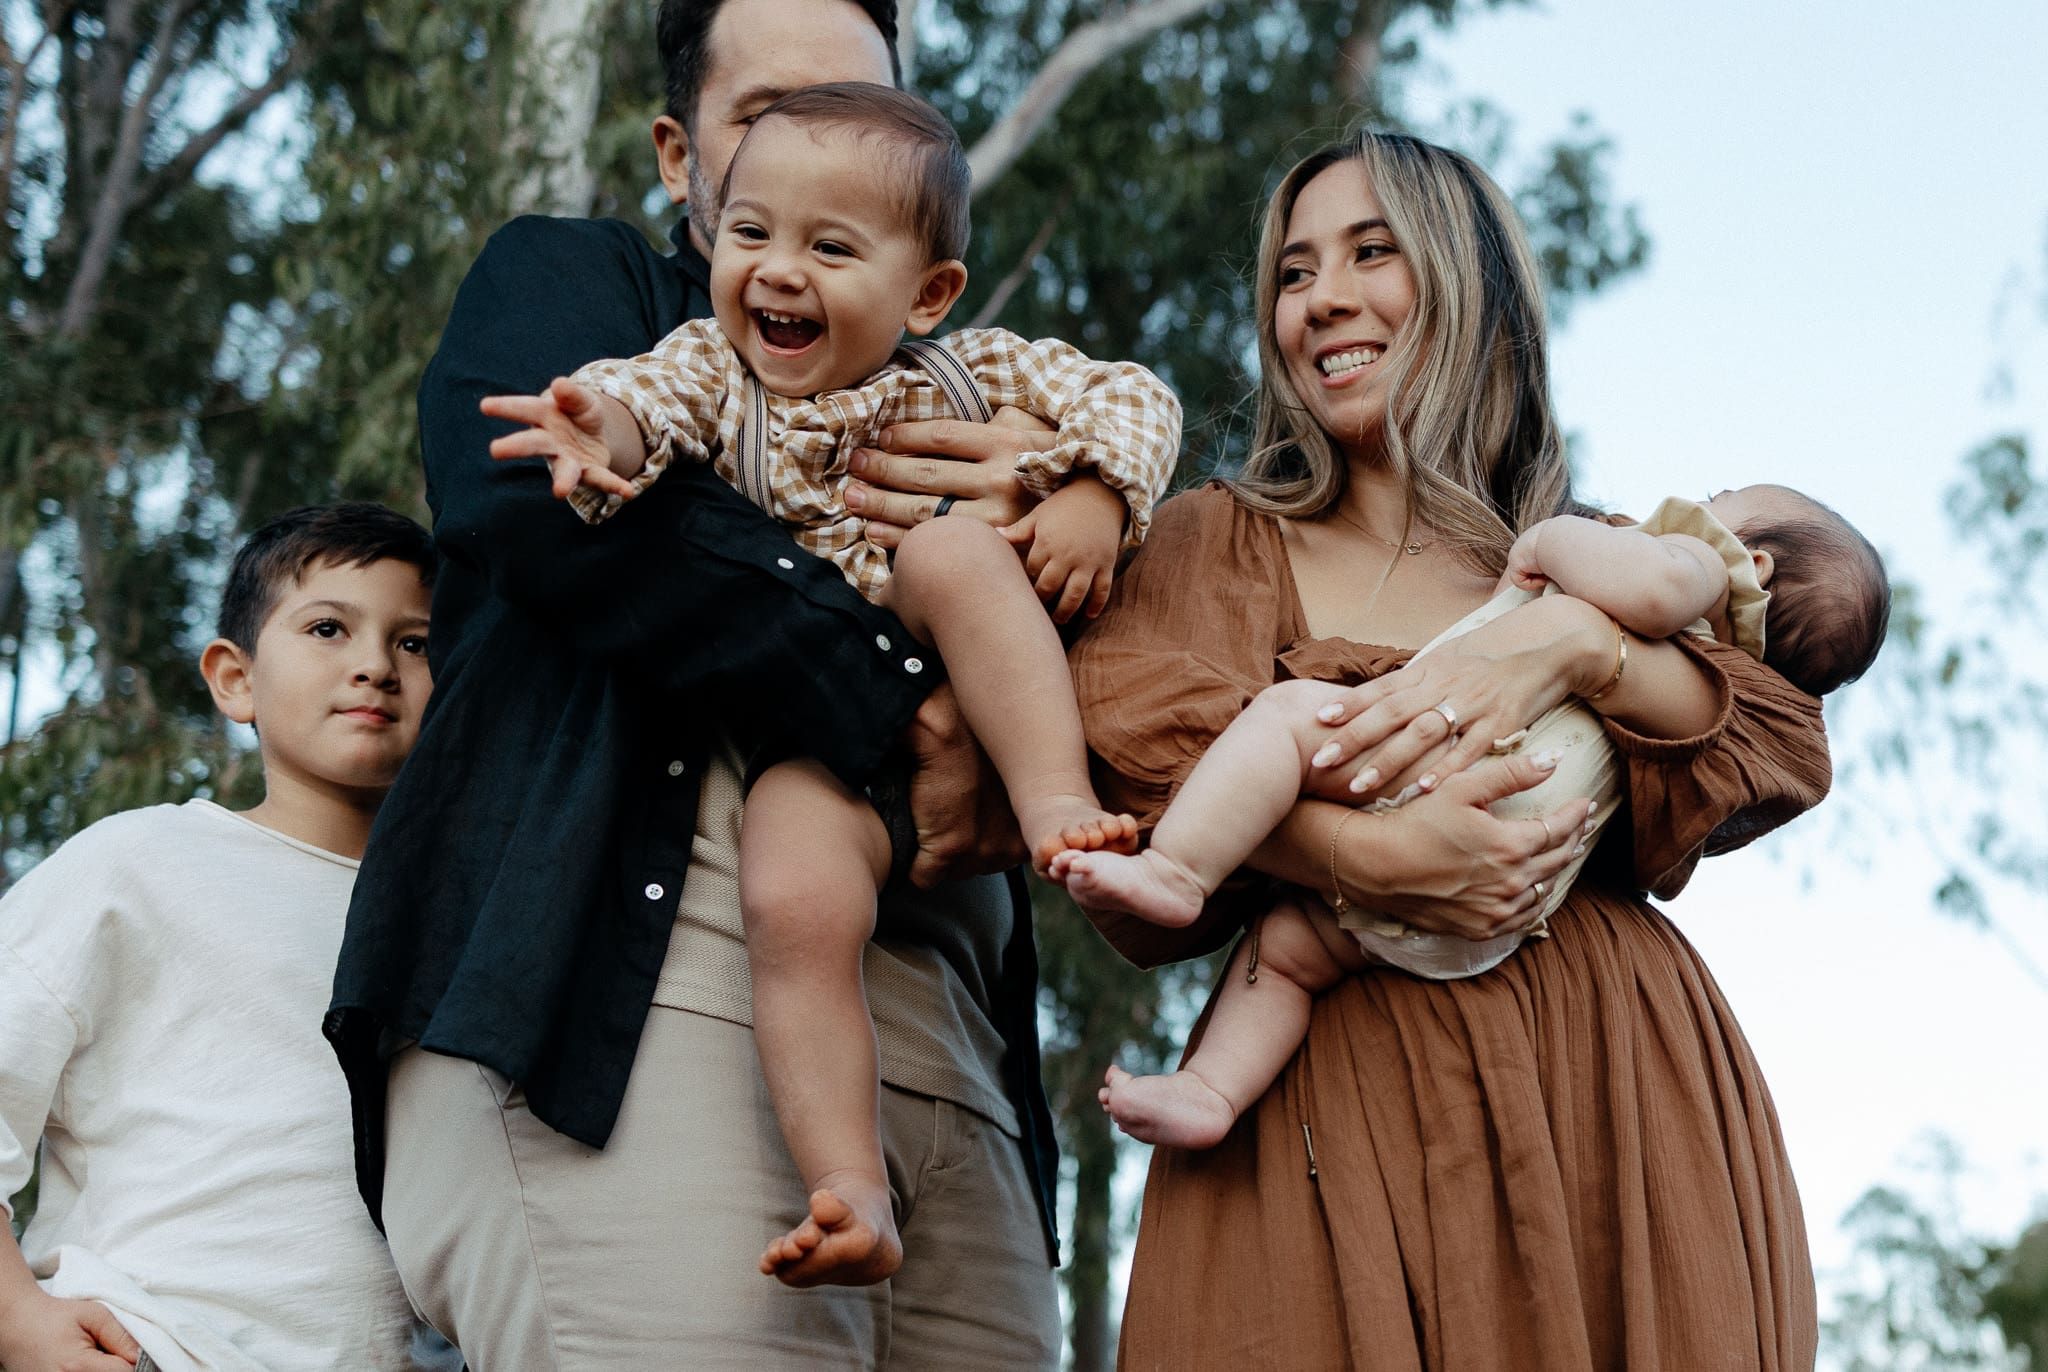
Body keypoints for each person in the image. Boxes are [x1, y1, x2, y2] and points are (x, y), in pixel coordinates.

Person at [325, 1, 1067, 1365]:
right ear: (679, 155)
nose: (813, 152)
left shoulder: (976, 389)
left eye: (858, 110)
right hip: (640, 1010)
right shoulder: (581, 286)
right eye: (764, 117)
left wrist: (1086, 513)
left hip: (959, 1061)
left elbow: (1120, 644)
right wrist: (910, 699)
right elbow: (546, 506)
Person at [1065, 130, 1835, 1368]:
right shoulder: (1213, 544)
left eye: (1372, 252)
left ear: (1469, 286)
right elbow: (1142, 803)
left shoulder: (1593, 550)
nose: (1322, 298)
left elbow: (1769, 747)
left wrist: (1573, 650)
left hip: (1607, 1091)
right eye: (1291, 271)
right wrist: (1370, 856)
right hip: (1327, 1098)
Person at [488, 82, 1178, 1286]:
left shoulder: (975, 369)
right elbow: (643, 405)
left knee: (948, 548)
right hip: (826, 733)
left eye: (830, 246)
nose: (777, 271)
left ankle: (1055, 796)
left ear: (927, 292)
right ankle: (846, 1180)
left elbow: (1136, 395)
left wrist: (1094, 494)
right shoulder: (713, 370)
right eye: (749, 232)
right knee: (788, 889)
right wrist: (594, 428)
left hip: (951, 649)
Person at [1059, 484, 1886, 1148]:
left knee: (1285, 719)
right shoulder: (1717, 682)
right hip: (1495, 917)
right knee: (1290, 952)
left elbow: (1656, 586)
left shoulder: (1700, 565)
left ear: (1759, 564)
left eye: (1731, 491)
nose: (1708, 491)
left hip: (1444, 774)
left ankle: (1175, 870)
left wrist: (1550, 541)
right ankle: (1210, 1090)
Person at [0, 504, 446, 1372]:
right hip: (153, 1342)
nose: (374, 667)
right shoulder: (138, 865)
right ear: (234, 679)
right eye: (327, 627)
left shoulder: (466, 922)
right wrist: (15, 1317)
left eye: (416, 643)